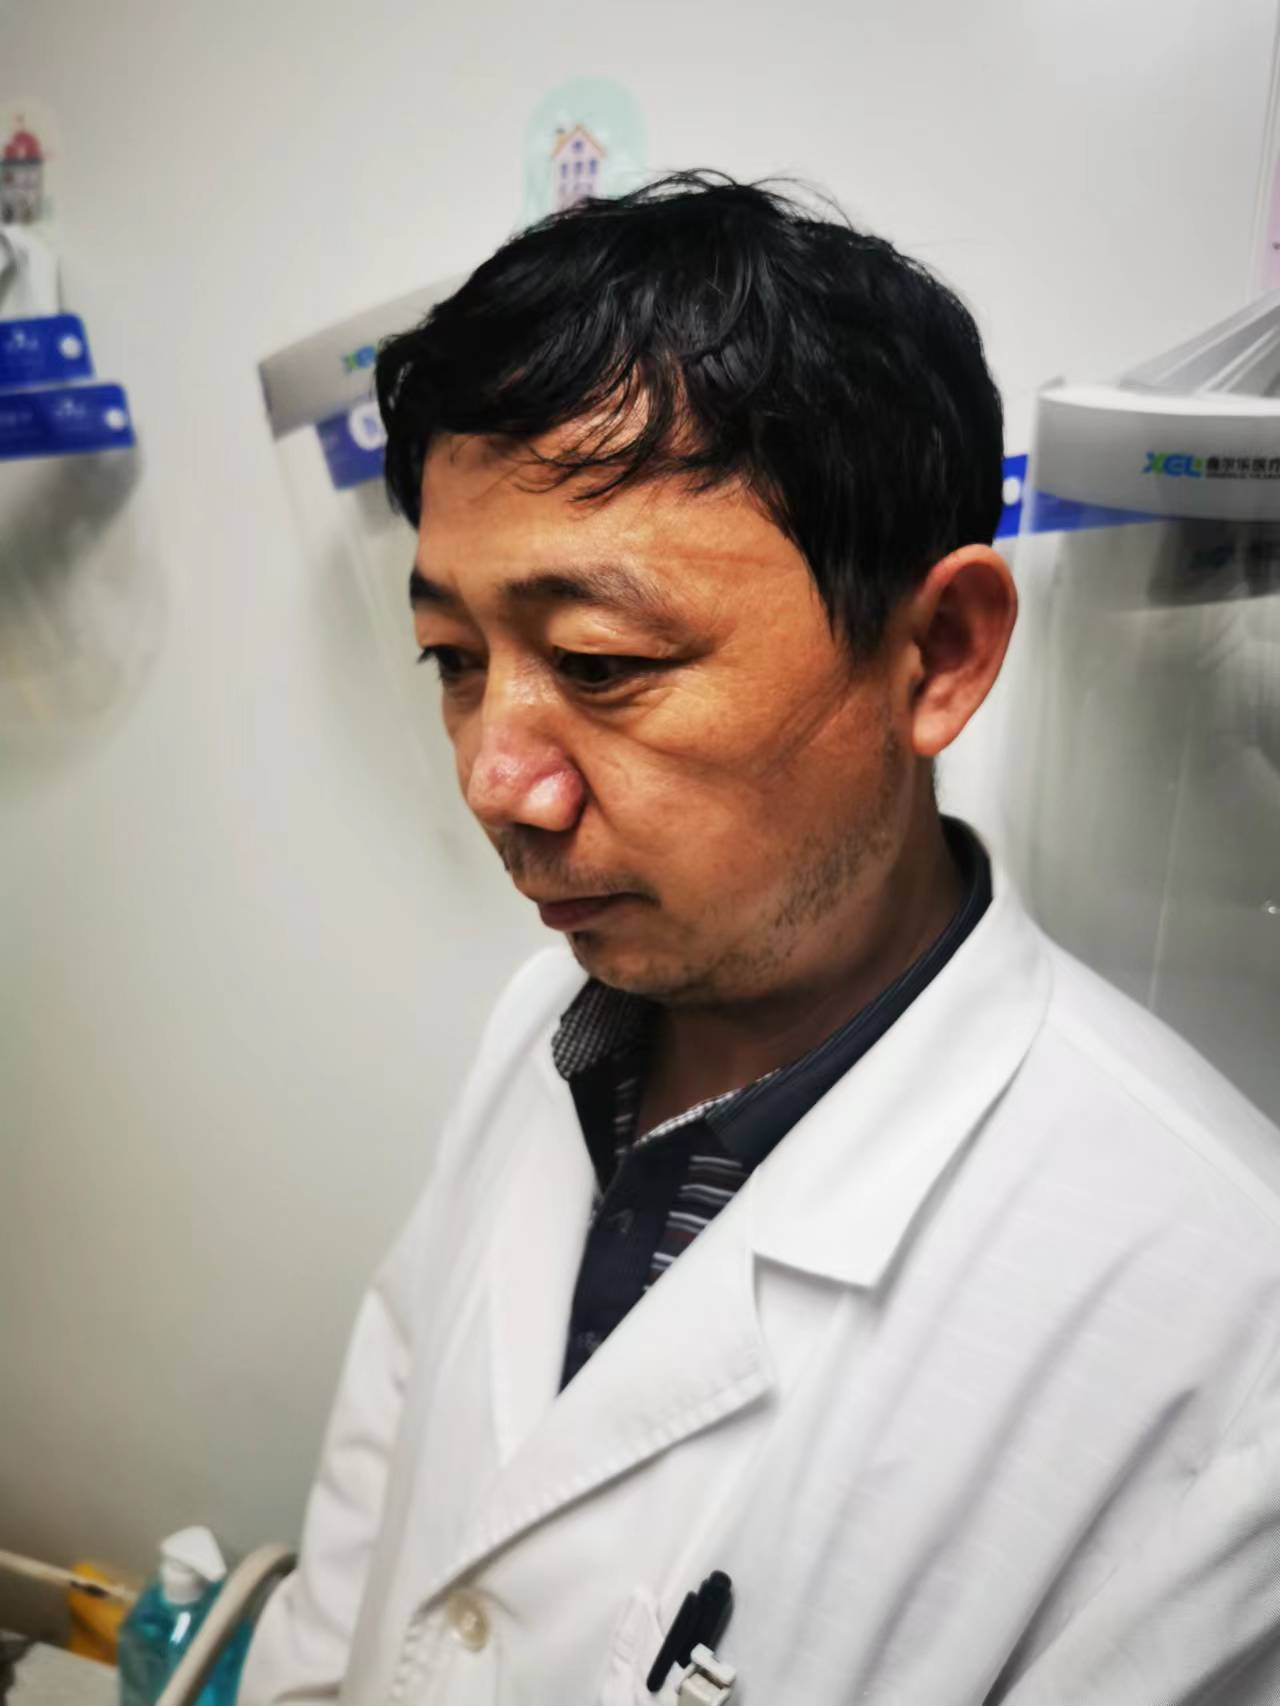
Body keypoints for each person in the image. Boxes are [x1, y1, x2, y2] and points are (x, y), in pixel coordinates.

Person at [240, 175, 1280, 1706]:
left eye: (601, 660)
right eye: (452, 659)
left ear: (936, 654)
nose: (494, 780)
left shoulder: (1225, 1343)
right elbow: (355, 1570)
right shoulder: (544, 1026)